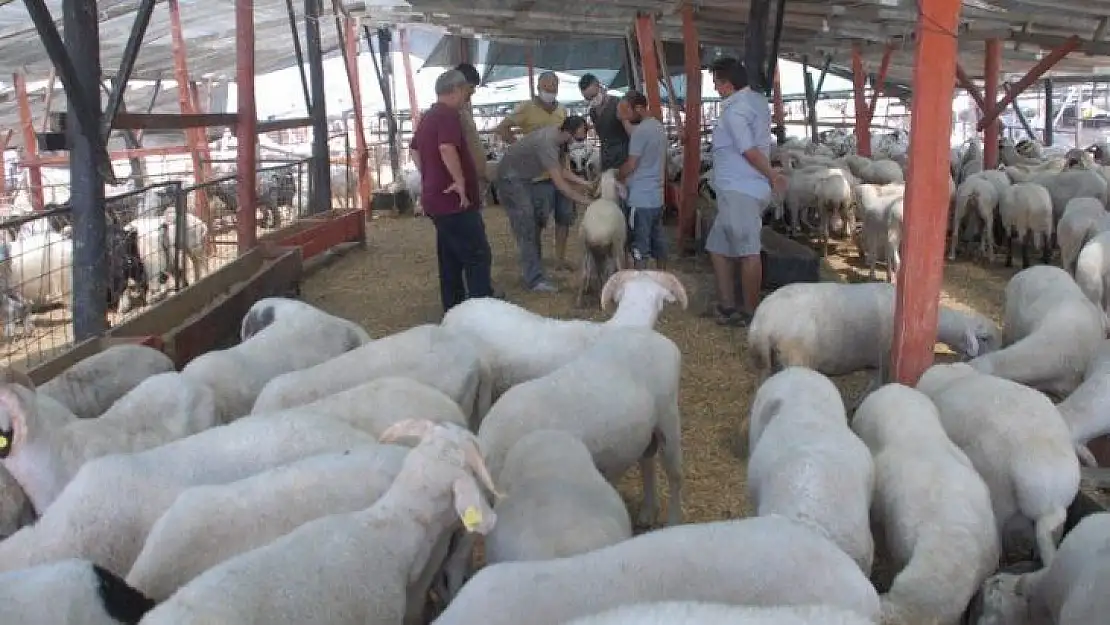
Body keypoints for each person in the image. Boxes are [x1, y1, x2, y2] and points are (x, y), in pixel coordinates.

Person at [704, 57, 787, 327]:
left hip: (741, 188)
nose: (715, 88)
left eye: (716, 82)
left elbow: (749, 150)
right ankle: (728, 305)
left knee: (747, 250)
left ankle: (749, 312)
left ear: (727, 84)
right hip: (733, 189)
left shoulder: (736, 112)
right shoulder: (754, 101)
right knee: (718, 246)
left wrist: (773, 175)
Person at [409, 69, 493, 313]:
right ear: (455, 89)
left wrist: (431, 173)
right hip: (453, 201)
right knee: (477, 256)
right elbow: (447, 148)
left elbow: (413, 149)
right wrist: (459, 182)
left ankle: (454, 310)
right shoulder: (448, 115)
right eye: (467, 91)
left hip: (437, 200)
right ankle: (482, 313)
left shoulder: (429, 116)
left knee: (450, 259)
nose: (468, 96)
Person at [495, 116, 594, 292]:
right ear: (568, 133)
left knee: (532, 224)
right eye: (577, 139)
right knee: (526, 227)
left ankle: (535, 272)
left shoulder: (556, 138)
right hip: (511, 180)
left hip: (521, 179)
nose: (577, 143)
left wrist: (585, 183)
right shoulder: (547, 143)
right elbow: (561, 186)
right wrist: (588, 202)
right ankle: (534, 279)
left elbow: (560, 170)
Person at [495, 71, 576, 269]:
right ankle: (535, 259)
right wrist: (520, 149)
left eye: (554, 87)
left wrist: (567, 168)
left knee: (564, 217)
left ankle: (560, 259)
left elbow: (564, 141)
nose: (550, 90)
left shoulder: (562, 111)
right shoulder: (526, 107)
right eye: (547, 87)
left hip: (559, 171)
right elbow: (503, 128)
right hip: (537, 176)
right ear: (539, 87)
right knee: (537, 219)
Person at [616, 90, 668, 270]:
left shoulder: (640, 132)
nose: (626, 117)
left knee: (639, 246)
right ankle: (662, 278)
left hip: (640, 198)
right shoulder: (658, 127)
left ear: (638, 108)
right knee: (659, 242)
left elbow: (631, 165)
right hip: (657, 197)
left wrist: (618, 174)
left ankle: (640, 285)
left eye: (627, 112)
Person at [578, 73, 633, 175]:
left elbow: (631, 133)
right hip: (606, 158)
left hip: (624, 157)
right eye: (588, 99)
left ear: (599, 86)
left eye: (593, 96)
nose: (592, 100)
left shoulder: (618, 104)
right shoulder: (592, 112)